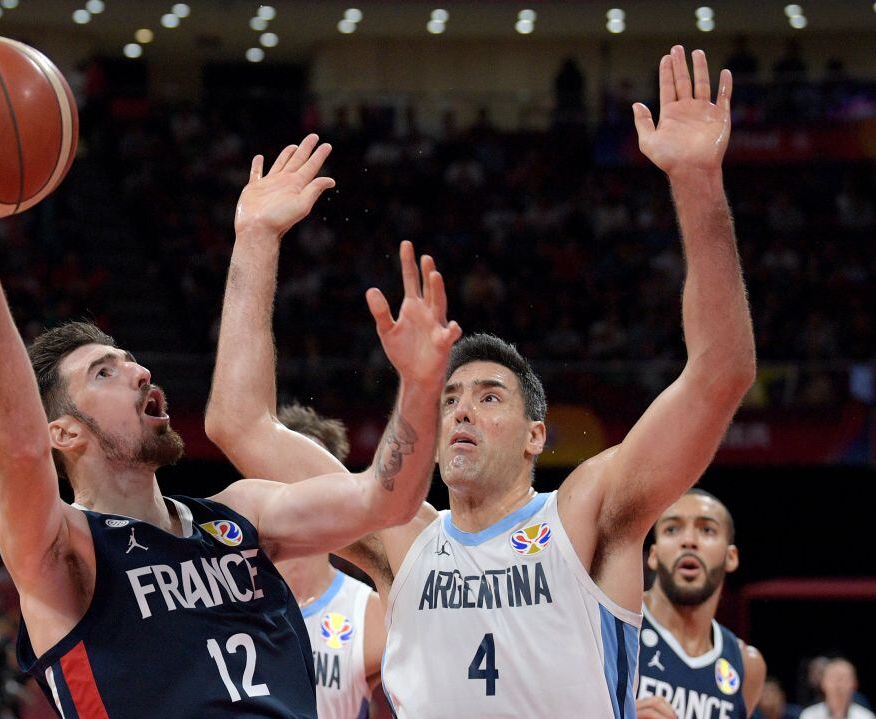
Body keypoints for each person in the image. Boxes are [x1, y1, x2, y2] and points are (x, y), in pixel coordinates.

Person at [207, 45, 755, 717]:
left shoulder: (584, 512)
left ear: (535, 435)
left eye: (488, 396)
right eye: (449, 399)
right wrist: (256, 240)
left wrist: (699, 183)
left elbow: (719, 375)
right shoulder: (397, 532)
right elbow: (240, 425)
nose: (461, 411)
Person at [0, 126, 460, 719]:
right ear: (62, 430)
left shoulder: (244, 516)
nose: (139, 372)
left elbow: (386, 500)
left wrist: (418, 389)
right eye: (105, 374)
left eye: (132, 361)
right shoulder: (66, 550)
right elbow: (16, 447)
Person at [275, 403, 384, 719]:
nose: (301, 484)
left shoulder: (371, 613)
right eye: (287, 468)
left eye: (311, 471)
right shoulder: (225, 599)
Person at [635, 490, 766, 719]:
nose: (689, 541)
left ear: (731, 557)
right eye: (672, 529)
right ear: (653, 555)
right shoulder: (616, 628)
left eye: (707, 530)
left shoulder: (747, 665)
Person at [798, 659, 876, 719]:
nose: (838, 685)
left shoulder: (866, 716)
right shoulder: (809, 715)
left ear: (855, 684)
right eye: (833, 678)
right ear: (823, 683)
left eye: (843, 679)